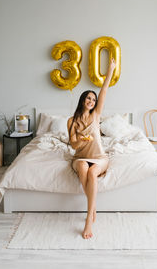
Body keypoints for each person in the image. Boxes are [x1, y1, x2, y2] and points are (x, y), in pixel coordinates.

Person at [67, 58, 116, 239]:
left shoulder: (96, 115)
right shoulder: (72, 121)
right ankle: (92, 207)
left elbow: (104, 90)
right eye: (88, 98)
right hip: (80, 156)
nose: (91, 101)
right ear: (82, 100)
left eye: (93, 99)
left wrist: (110, 70)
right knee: (82, 167)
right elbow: (73, 145)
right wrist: (81, 139)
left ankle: (89, 217)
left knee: (93, 171)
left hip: (99, 157)